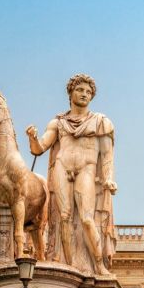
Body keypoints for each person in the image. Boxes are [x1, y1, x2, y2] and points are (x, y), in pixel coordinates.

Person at [26, 74, 116, 275]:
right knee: (63, 217)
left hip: (87, 169)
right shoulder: (58, 123)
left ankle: (99, 264)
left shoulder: (101, 122)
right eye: (80, 90)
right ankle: (68, 266)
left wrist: (109, 177)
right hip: (62, 166)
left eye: (88, 92)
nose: (84, 94)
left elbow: (107, 155)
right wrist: (32, 138)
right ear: (70, 93)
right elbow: (40, 148)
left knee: (86, 218)